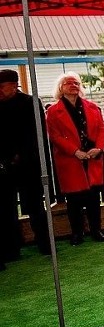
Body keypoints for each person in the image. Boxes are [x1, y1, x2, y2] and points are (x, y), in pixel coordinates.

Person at [45, 72, 104, 246]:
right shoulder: (52, 111)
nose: (73, 85)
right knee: (73, 200)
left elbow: (101, 129)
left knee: (94, 197)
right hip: (70, 160)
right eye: (68, 83)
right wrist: (75, 151)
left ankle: (96, 229)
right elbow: (55, 136)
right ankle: (76, 233)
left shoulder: (92, 107)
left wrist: (99, 148)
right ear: (60, 88)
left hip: (92, 157)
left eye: (76, 83)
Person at [0, 70, 52, 266]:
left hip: (28, 165)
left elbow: (34, 135)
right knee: (6, 209)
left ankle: (46, 245)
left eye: (2, 86)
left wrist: (19, 155)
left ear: (14, 85)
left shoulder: (30, 103)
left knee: (35, 207)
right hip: (4, 168)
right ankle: (11, 249)